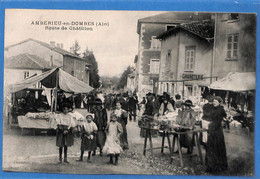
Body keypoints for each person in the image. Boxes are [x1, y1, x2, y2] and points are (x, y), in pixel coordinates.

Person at [205, 96, 228, 174]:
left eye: (216, 101)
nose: (214, 102)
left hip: (217, 131)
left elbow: (218, 120)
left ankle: (218, 167)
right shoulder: (213, 108)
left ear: (219, 102)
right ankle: (210, 166)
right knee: (210, 148)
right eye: (213, 101)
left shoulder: (220, 110)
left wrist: (210, 126)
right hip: (212, 130)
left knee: (217, 148)